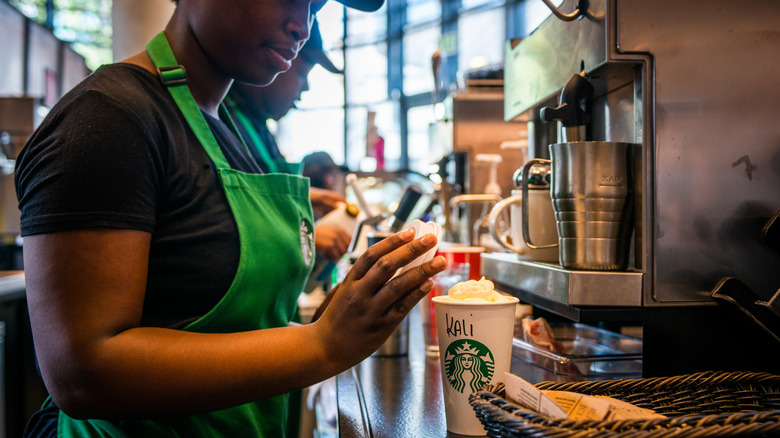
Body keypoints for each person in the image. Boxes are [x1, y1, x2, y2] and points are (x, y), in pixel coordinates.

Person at [15, 0, 446, 436]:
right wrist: (320, 344)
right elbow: (83, 374)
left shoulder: (227, 131)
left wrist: (326, 323)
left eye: (315, 6)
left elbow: (220, 324)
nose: (303, 24)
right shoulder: (108, 117)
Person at [225, 20, 350, 276]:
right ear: (277, 59)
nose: (306, 87)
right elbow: (229, 223)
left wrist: (310, 195)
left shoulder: (257, 124)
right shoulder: (224, 122)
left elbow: (260, 189)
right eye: (304, 73)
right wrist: (302, 238)